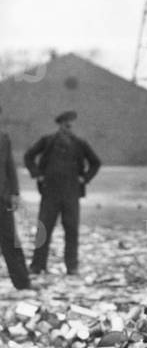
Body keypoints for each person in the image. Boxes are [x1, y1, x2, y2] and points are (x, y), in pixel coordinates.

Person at [24, 110, 100, 277]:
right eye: (65, 124)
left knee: (71, 230)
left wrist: (84, 178)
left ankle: (72, 267)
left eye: (70, 124)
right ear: (59, 125)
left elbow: (96, 162)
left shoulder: (80, 143)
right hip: (50, 193)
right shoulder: (47, 141)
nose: (68, 127)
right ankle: (37, 266)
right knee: (44, 229)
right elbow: (29, 156)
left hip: (71, 194)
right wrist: (37, 174)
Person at [0, 105, 32, 291]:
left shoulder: (3, 138)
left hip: (2, 199)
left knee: (11, 241)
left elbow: (10, 167)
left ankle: (23, 283)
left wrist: (14, 193)